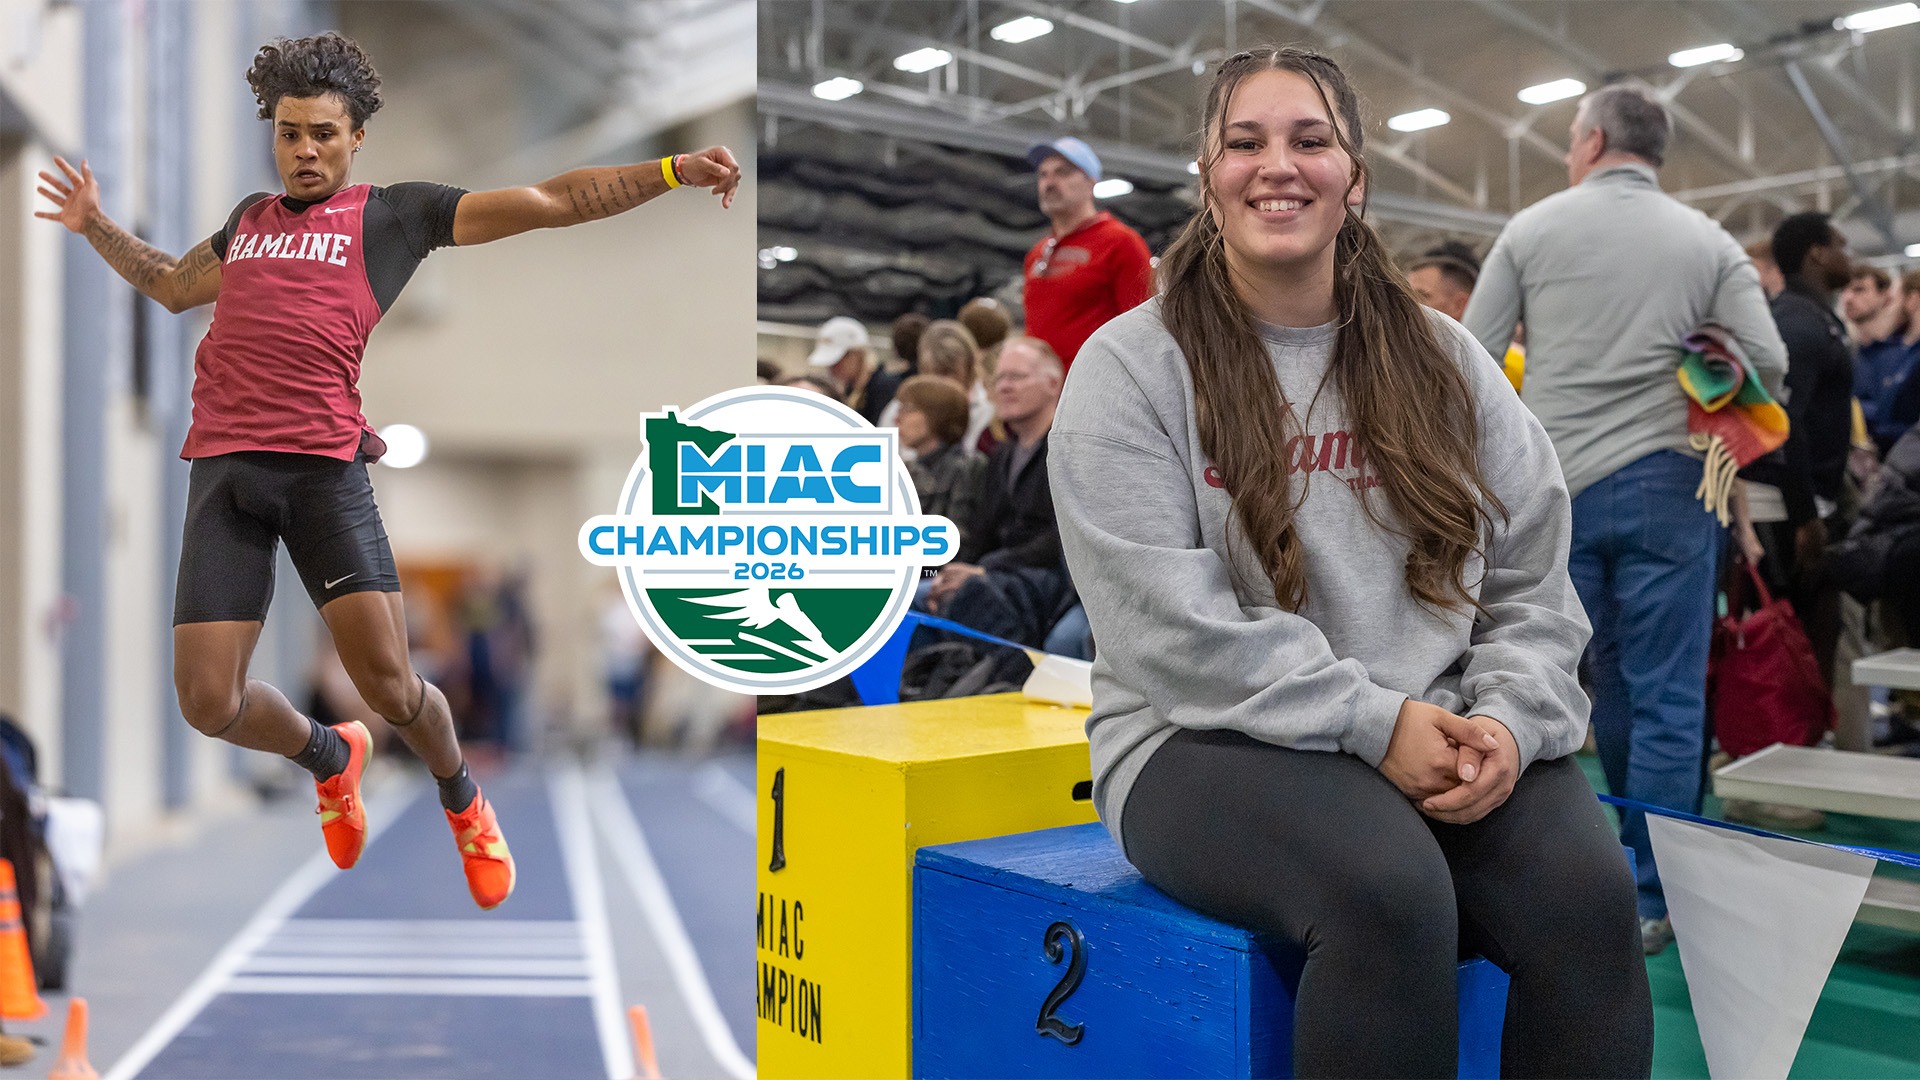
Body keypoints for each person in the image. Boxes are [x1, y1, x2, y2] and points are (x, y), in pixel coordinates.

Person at [33, 32, 741, 911]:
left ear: (356, 135)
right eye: (289, 133)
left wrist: (669, 171)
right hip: (225, 474)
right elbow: (176, 285)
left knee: (394, 689)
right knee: (207, 703)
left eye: (323, 133)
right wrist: (94, 223)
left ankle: (463, 800)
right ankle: (331, 759)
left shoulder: (392, 216)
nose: (304, 151)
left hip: (325, 476)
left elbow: (550, 200)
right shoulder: (248, 220)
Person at [1050, 46, 1650, 1076]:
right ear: (1208, 175)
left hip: (1443, 721)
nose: (1276, 165)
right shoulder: (1131, 367)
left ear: (1354, 177)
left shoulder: (1446, 359)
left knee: (1591, 899)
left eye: (1309, 140)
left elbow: (1530, 581)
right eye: (1245, 143)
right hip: (1196, 735)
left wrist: (1508, 720)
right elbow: (1167, 631)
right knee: (1388, 891)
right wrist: (1372, 725)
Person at [1462, 81, 1786, 953]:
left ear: (1594, 139)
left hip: (1554, 488)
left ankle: (1586, 875)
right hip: (1674, 484)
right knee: (1669, 691)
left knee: (1574, 679)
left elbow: (1473, 359)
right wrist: (1697, 369)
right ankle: (1653, 893)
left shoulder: (1532, 228)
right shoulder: (1709, 239)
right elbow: (1769, 360)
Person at [928, 336, 1073, 649]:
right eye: (999, 378)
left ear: (1053, 384)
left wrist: (984, 569)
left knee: (972, 595)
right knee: (923, 593)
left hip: (1047, 578)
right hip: (1003, 573)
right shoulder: (1002, 455)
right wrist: (956, 570)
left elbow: (1058, 540)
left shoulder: (1069, 451)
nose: (1004, 387)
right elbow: (983, 530)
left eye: (1017, 377)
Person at [1021, 137, 1153, 371]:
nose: (1049, 183)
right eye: (1043, 174)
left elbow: (1144, 328)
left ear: (1090, 182)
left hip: (1095, 388)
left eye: (1062, 172)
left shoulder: (1120, 242)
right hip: (1044, 395)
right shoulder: (1036, 254)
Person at [1403, 242, 1525, 392]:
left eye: (1422, 296)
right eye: (1406, 294)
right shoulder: (1402, 356)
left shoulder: (1511, 368)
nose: (1408, 304)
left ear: (1460, 304)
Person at [894, 376, 987, 549]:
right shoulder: (906, 470)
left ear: (936, 414)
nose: (897, 419)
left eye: (907, 409)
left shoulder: (965, 467)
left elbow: (958, 541)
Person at [1859, 271, 1920, 455]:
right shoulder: (1902, 351)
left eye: (1896, 300)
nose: (1891, 308)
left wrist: (1879, 433)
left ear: (1913, 300)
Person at [807, 315, 898, 424]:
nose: (832, 368)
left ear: (857, 355)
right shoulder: (850, 391)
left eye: (838, 361)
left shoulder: (884, 388)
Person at [1842, 265, 1898, 345]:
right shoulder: (1843, 346)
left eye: (1859, 289)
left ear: (1885, 295)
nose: (1847, 298)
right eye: (1844, 290)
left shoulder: (1905, 349)